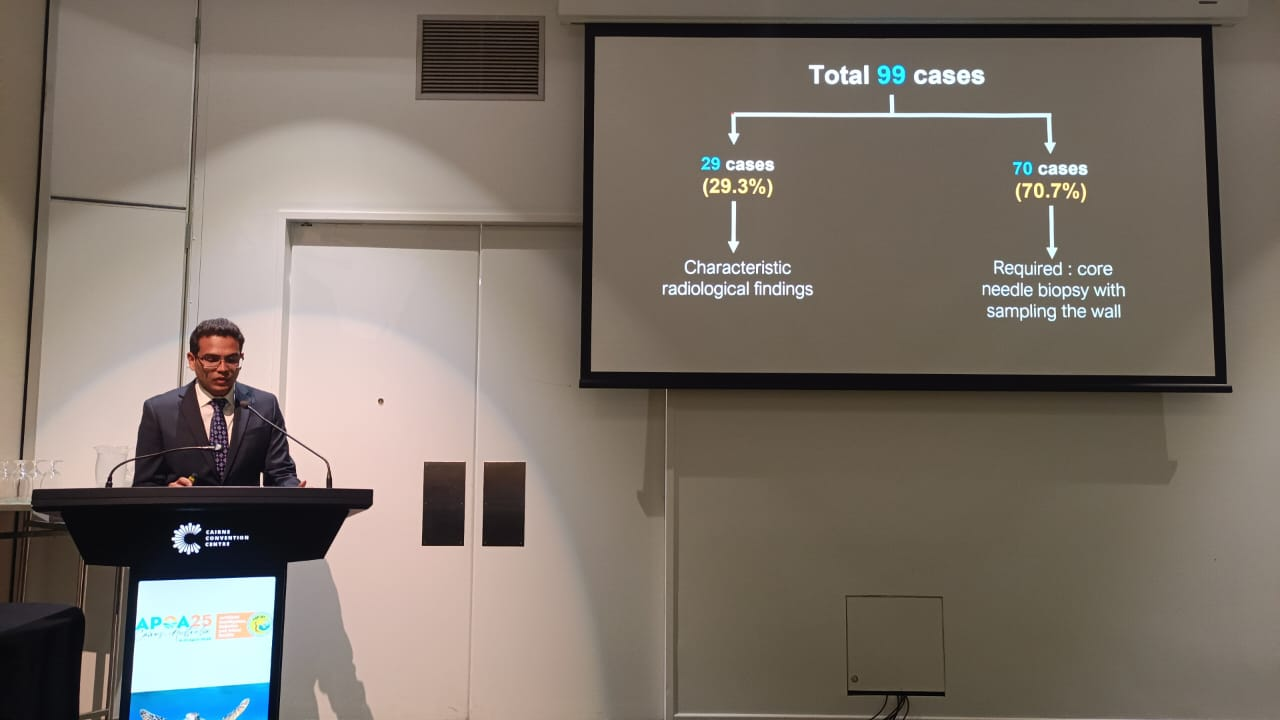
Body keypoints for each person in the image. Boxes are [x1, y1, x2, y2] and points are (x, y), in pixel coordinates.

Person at [133, 318, 303, 487]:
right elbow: (144, 485)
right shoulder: (160, 411)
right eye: (211, 359)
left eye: (231, 359)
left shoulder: (264, 406)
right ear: (192, 360)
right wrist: (169, 494)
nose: (222, 369)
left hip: (246, 506)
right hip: (186, 505)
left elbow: (281, 473)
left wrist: (295, 490)